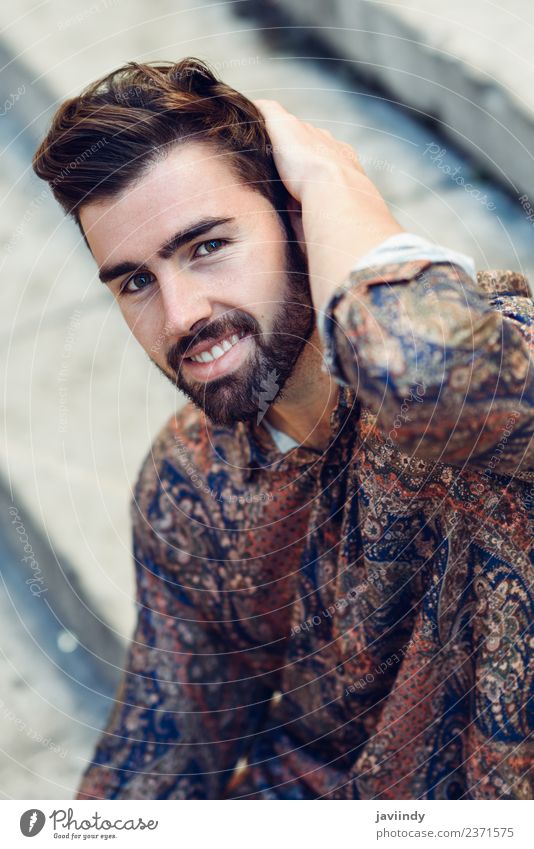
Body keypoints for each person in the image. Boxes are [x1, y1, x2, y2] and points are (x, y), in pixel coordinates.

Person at [32, 57, 533, 800]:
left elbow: (421, 372)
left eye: (207, 247)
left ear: (299, 218)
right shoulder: (190, 482)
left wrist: (337, 183)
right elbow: (159, 756)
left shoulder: (495, 346)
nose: (180, 317)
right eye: (136, 280)